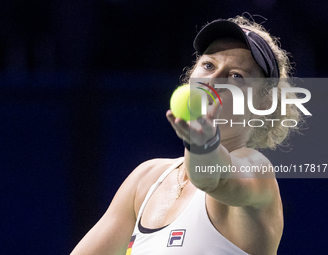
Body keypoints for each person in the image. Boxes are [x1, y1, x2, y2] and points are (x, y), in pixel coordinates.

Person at [71, 16, 301, 255]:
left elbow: (210, 177)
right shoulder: (146, 180)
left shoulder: (257, 171)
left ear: (263, 103)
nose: (212, 80)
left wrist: (205, 145)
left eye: (236, 76)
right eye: (209, 65)